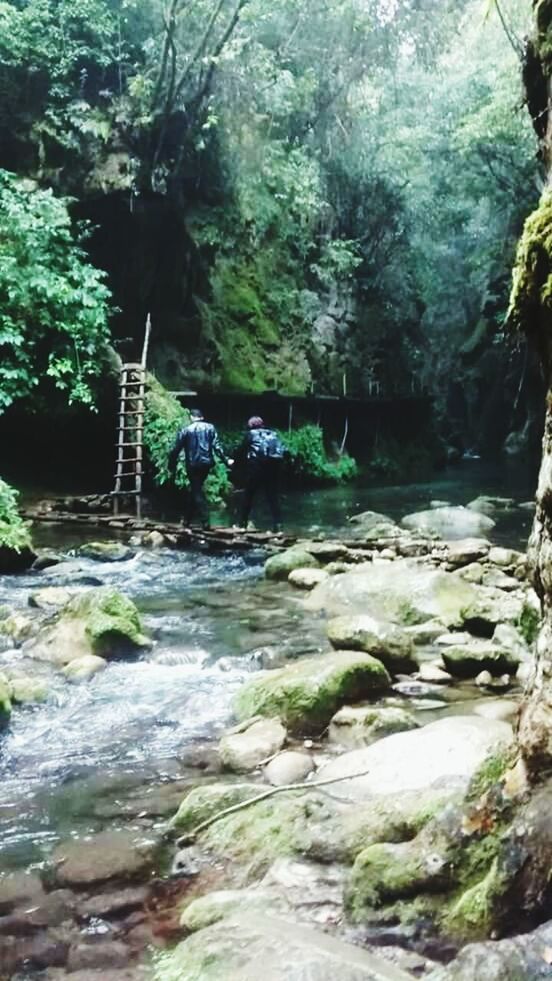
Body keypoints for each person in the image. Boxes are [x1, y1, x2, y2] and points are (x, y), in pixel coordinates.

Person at [168, 409, 231, 529]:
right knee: (195, 489)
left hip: (192, 464)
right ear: (201, 417)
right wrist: (226, 460)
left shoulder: (186, 430)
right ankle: (187, 520)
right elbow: (217, 446)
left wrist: (171, 464)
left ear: (192, 417)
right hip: (206, 464)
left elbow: (176, 449)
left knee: (196, 491)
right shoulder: (210, 428)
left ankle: (205, 521)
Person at [237, 416, 285, 533]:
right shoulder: (273, 434)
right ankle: (278, 526)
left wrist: (235, 462)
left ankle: (242, 524)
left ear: (251, 425)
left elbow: (241, 450)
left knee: (248, 496)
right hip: (272, 470)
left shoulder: (251, 434)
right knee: (273, 498)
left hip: (256, 469)